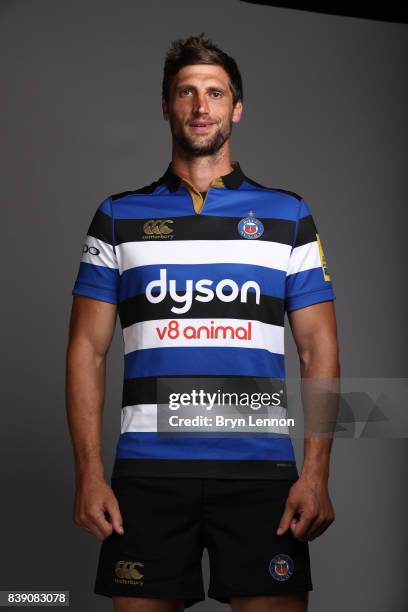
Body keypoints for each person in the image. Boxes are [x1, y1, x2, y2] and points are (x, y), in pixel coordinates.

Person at [66, 32, 339, 612]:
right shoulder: (117, 216)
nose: (200, 106)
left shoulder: (288, 215)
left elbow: (319, 352)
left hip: (261, 474)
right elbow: (86, 351)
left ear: (235, 108)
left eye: (214, 93)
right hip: (146, 476)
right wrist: (89, 474)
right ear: (167, 105)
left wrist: (316, 473)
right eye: (186, 92)